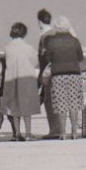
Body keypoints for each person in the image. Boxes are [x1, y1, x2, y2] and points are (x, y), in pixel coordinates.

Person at [40, 18, 86, 140]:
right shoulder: (75, 41)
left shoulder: (51, 42)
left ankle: (62, 133)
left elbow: (48, 58)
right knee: (73, 104)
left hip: (58, 75)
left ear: (56, 28)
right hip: (74, 75)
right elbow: (80, 57)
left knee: (61, 104)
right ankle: (74, 132)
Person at [1, 21, 41, 141]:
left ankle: (17, 133)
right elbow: (35, 62)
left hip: (11, 79)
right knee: (26, 107)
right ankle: (28, 133)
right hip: (26, 79)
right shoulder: (29, 48)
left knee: (14, 107)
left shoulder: (7, 48)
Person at [36, 8, 62, 139]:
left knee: (49, 102)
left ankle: (55, 130)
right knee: (56, 101)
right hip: (58, 72)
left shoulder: (45, 36)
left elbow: (44, 58)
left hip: (49, 74)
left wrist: (41, 77)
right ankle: (59, 129)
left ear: (39, 22)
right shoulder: (56, 33)